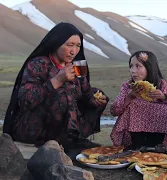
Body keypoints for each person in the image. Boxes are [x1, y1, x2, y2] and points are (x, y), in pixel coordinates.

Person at [3, 22, 109, 150]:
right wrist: (58, 80)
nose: (74, 51)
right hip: (34, 127)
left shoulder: (77, 67)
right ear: (56, 43)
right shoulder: (38, 64)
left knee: (96, 92)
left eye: (78, 46)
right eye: (70, 45)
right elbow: (26, 99)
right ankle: (67, 143)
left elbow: (85, 93)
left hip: (66, 128)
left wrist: (93, 99)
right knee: (61, 95)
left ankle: (74, 138)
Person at [110, 51, 167, 150]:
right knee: (131, 106)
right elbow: (115, 110)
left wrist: (163, 97)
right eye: (131, 66)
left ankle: (160, 148)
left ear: (149, 67)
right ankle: (134, 148)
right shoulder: (128, 86)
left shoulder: (161, 84)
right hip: (134, 135)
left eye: (138, 66)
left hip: (158, 131)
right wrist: (130, 96)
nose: (133, 71)